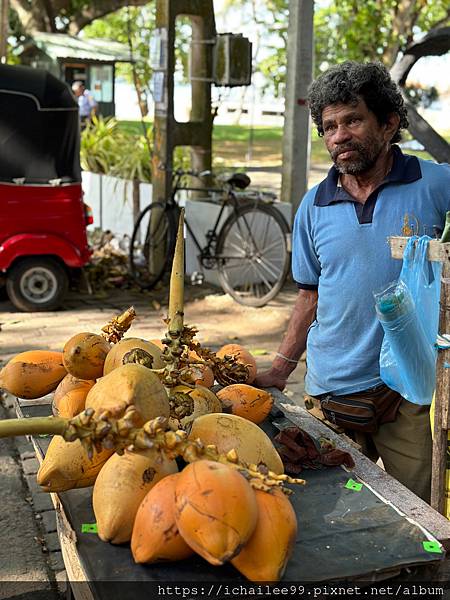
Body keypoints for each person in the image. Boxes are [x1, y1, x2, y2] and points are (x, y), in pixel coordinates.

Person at [255, 61, 450, 503]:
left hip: (411, 396)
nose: (338, 135)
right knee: (331, 518)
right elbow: (309, 297)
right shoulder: (313, 206)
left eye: (352, 120)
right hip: (332, 395)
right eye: (328, 127)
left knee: (422, 521)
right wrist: (280, 371)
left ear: (389, 123)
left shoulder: (435, 184)